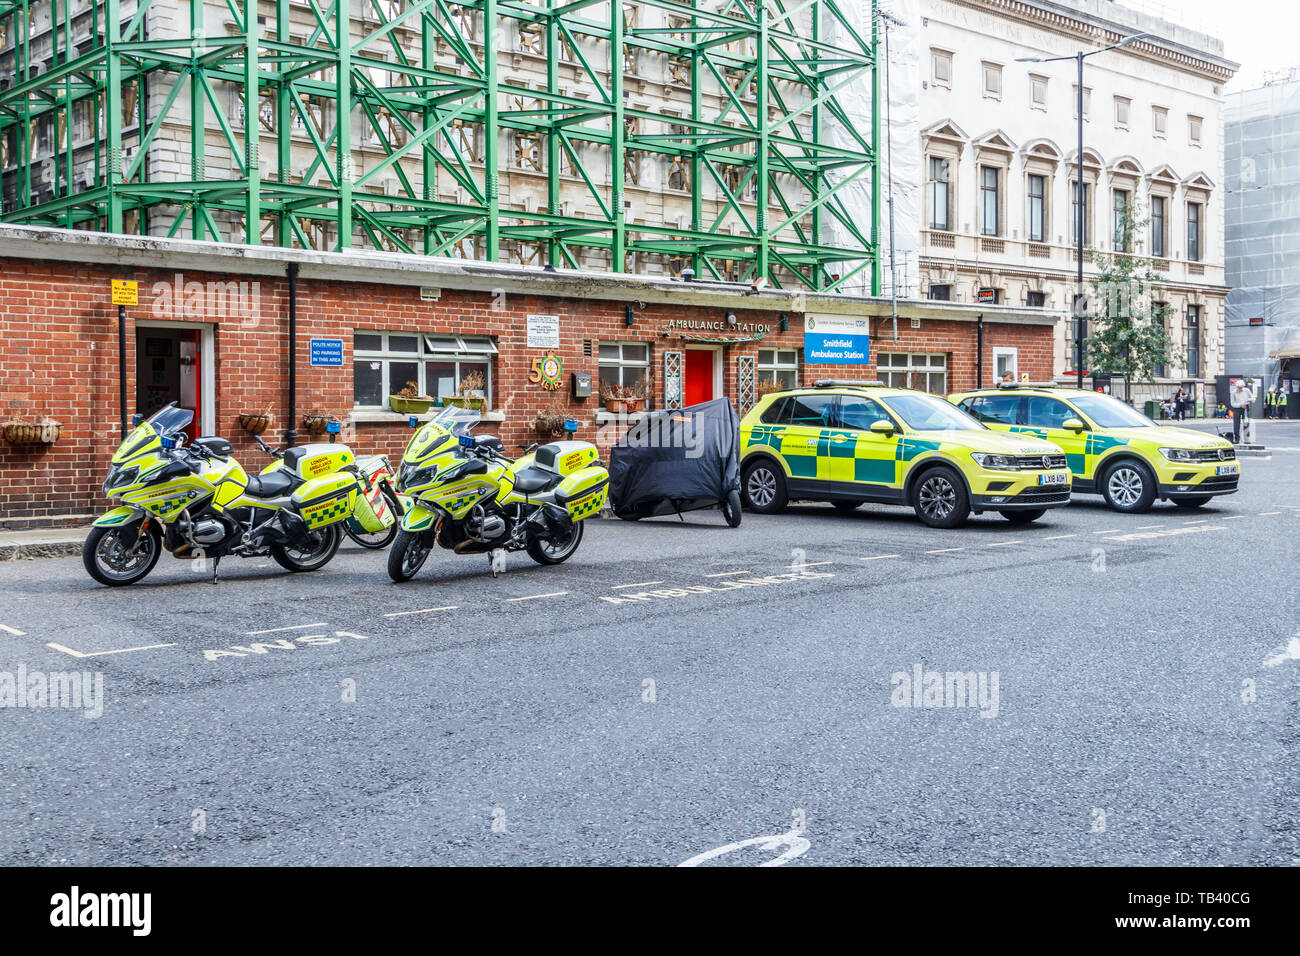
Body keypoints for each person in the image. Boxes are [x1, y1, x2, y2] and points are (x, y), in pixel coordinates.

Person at [1229, 378, 1257, 444]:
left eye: (1241, 387)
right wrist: (1240, 405)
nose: (1240, 389)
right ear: (1237, 387)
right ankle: (1237, 439)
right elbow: (1232, 403)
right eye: (1239, 387)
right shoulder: (1233, 393)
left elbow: (1253, 398)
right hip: (1237, 409)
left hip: (1246, 408)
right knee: (1236, 424)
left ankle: (1246, 439)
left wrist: (1250, 400)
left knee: (1246, 423)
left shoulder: (1246, 390)